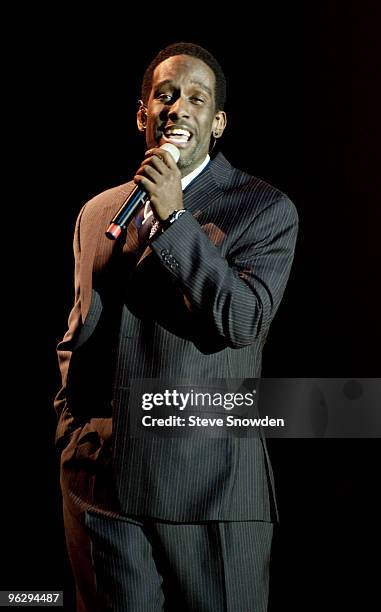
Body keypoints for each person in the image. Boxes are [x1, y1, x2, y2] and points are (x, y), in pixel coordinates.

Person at [55, 42, 298, 612]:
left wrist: (177, 221)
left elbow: (243, 320)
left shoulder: (263, 208)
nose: (177, 108)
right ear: (143, 114)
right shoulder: (99, 211)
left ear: (217, 123)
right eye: (165, 96)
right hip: (102, 484)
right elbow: (79, 331)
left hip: (208, 486)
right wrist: (71, 435)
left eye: (196, 98)